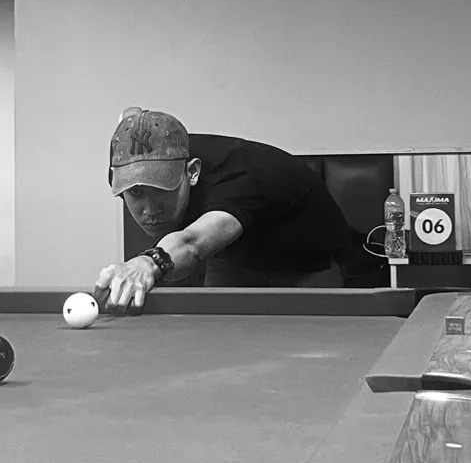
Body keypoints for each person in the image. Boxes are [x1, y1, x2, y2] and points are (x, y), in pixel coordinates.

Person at [94, 108, 383, 311]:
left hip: (308, 261)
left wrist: (148, 263)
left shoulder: (240, 178)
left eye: (162, 188)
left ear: (192, 172)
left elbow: (192, 243)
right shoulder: (135, 158)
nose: (149, 209)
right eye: (136, 192)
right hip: (236, 256)